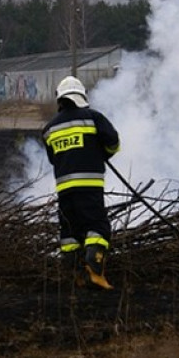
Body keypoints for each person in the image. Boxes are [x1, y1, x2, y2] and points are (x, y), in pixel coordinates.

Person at [42, 76, 120, 290]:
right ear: (81, 96)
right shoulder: (93, 118)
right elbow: (113, 143)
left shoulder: (49, 129)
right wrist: (100, 152)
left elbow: (53, 158)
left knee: (69, 234)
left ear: (60, 99)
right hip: (89, 186)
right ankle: (95, 273)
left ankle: (76, 277)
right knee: (98, 228)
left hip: (64, 190)